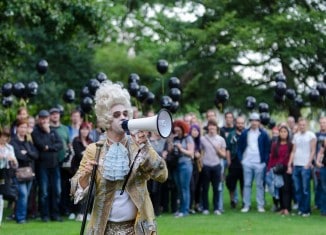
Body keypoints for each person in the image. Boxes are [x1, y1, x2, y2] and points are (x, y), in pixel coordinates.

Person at [70, 81, 168, 235]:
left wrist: (146, 148)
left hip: (138, 229)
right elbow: (76, 192)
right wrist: (86, 176)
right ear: (106, 120)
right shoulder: (94, 149)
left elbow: (162, 175)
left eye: (125, 114)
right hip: (103, 229)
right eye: (116, 115)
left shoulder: (139, 145)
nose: (122, 118)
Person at [32, 110, 64, 222]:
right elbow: (40, 145)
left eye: (45, 118)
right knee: (44, 192)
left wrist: (49, 146)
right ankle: (44, 215)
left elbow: (60, 145)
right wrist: (51, 145)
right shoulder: (35, 132)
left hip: (55, 165)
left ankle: (55, 214)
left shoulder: (53, 131)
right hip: (42, 166)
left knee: (57, 191)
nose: (44, 120)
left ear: (48, 119)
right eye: (42, 118)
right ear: (39, 119)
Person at [237, 112, 270, 213]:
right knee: (247, 184)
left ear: (259, 122)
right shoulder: (245, 133)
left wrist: (264, 162)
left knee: (260, 184)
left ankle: (260, 205)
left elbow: (267, 149)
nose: (254, 123)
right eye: (252, 120)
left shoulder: (264, 134)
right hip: (247, 162)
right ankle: (246, 205)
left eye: (256, 121)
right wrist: (241, 160)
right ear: (250, 122)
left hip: (259, 163)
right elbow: (239, 147)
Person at [10, 119, 39, 223]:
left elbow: (36, 155)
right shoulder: (13, 141)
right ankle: (21, 218)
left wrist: (26, 153)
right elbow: (18, 156)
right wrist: (28, 154)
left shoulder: (28, 141)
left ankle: (21, 216)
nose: (23, 129)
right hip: (18, 173)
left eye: (25, 127)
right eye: (21, 127)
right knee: (23, 194)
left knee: (25, 195)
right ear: (17, 128)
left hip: (29, 173)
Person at [288, 117, 316, 217]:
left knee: (305, 189)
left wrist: (308, 163)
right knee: (297, 189)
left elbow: (313, 150)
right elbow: (293, 151)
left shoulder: (311, 135)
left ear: (306, 125)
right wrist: (289, 164)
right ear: (298, 125)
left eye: (304, 125)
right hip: (296, 165)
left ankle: (306, 210)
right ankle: (300, 208)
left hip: (305, 165)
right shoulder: (296, 136)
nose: (302, 126)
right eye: (300, 125)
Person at [49, 107, 73, 219]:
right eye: (53, 114)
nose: (55, 115)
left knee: (63, 189)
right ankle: (52, 212)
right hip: (51, 162)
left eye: (56, 114)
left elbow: (69, 144)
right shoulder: (47, 128)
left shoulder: (65, 129)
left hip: (64, 163)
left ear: (59, 115)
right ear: (50, 116)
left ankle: (62, 210)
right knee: (52, 188)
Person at [168, 120, 194, 218]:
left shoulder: (188, 138)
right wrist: (170, 142)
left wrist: (180, 148)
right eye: (175, 130)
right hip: (176, 165)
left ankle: (185, 210)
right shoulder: (175, 139)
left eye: (178, 130)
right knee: (179, 188)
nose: (177, 132)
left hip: (185, 165)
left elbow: (191, 153)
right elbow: (170, 151)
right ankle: (180, 209)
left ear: (182, 129)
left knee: (184, 188)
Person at [200, 119, 226, 215]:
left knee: (216, 188)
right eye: (210, 126)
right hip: (206, 165)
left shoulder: (221, 139)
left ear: (216, 128)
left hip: (216, 165)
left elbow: (224, 155)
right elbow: (201, 151)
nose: (211, 128)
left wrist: (218, 150)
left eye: (213, 126)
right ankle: (205, 208)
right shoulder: (203, 139)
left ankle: (216, 208)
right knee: (205, 188)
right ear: (208, 128)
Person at [70, 121, 93, 221]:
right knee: (77, 190)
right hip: (77, 169)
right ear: (80, 130)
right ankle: (76, 212)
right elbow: (79, 155)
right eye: (83, 129)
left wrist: (85, 153)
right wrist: (86, 154)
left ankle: (86, 212)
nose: (84, 131)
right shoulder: (76, 140)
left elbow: (92, 155)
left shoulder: (91, 141)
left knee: (88, 192)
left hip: (88, 170)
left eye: (86, 129)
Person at [267, 125, 292, 215]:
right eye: (281, 132)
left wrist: (290, 167)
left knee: (286, 189)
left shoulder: (290, 145)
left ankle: (287, 208)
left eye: (285, 131)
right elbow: (272, 157)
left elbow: (292, 157)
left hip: (286, 168)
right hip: (277, 168)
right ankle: (281, 208)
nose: (283, 133)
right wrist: (269, 169)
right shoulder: (274, 145)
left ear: (288, 133)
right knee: (279, 188)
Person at [225, 116, 245, 209]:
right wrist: (228, 160)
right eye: (238, 123)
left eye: (242, 123)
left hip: (244, 162)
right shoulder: (231, 134)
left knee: (243, 183)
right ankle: (233, 200)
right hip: (234, 161)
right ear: (235, 123)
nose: (240, 125)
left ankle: (244, 201)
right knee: (231, 183)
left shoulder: (246, 134)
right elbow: (228, 148)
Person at [0, 127, 18, 226]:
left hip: (4, 173)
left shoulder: (9, 148)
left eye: (6, 137)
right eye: (3, 136)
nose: (4, 139)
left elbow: (16, 164)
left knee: (1, 196)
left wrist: (13, 160)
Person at [316, 139, 326, 216]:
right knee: (324, 189)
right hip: (324, 168)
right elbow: (321, 151)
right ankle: (323, 210)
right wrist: (317, 162)